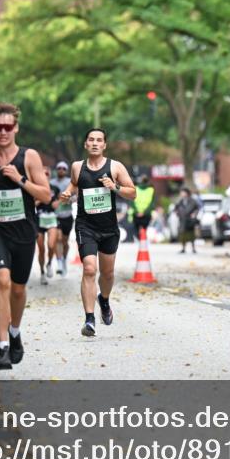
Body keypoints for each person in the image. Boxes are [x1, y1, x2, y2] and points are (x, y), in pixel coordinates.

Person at [0, 102, 52, 370]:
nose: (3, 132)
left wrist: (19, 179)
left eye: (8, 127)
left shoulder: (29, 157)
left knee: (18, 289)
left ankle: (15, 332)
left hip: (24, 232)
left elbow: (45, 195)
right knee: (2, 280)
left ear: (16, 128)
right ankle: (2, 347)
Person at [57, 127, 136, 338]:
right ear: (85, 144)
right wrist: (68, 192)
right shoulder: (77, 167)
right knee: (90, 269)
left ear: (104, 145)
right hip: (86, 226)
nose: (94, 143)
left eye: (99, 140)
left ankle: (105, 300)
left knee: (108, 273)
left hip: (109, 228)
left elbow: (133, 193)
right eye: (91, 139)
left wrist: (115, 187)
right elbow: (75, 184)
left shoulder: (115, 167)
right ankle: (89, 319)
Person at [49, 161, 74, 276]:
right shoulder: (51, 183)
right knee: (58, 239)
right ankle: (58, 263)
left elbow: (77, 196)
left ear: (66, 170)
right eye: (59, 168)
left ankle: (64, 259)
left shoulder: (70, 182)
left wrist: (68, 199)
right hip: (55, 216)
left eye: (64, 168)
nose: (61, 170)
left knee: (65, 241)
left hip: (67, 215)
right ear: (56, 169)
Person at [35, 166, 59, 285]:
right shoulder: (35, 188)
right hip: (39, 219)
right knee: (41, 248)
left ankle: (49, 263)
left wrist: (58, 203)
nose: (45, 175)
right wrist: (39, 200)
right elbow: (30, 204)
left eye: (47, 174)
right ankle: (42, 273)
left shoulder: (54, 188)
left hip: (51, 219)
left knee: (51, 245)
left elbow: (60, 200)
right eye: (43, 174)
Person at [174, 187, 200, 254]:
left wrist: (194, 214)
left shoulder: (192, 201)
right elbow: (175, 208)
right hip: (182, 219)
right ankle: (183, 248)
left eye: (183, 192)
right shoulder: (180, 201)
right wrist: (177, 213)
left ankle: (193, 248)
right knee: (182, 234)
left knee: (191, 234)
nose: (182, 194)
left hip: (190, 220)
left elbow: (197, 208)